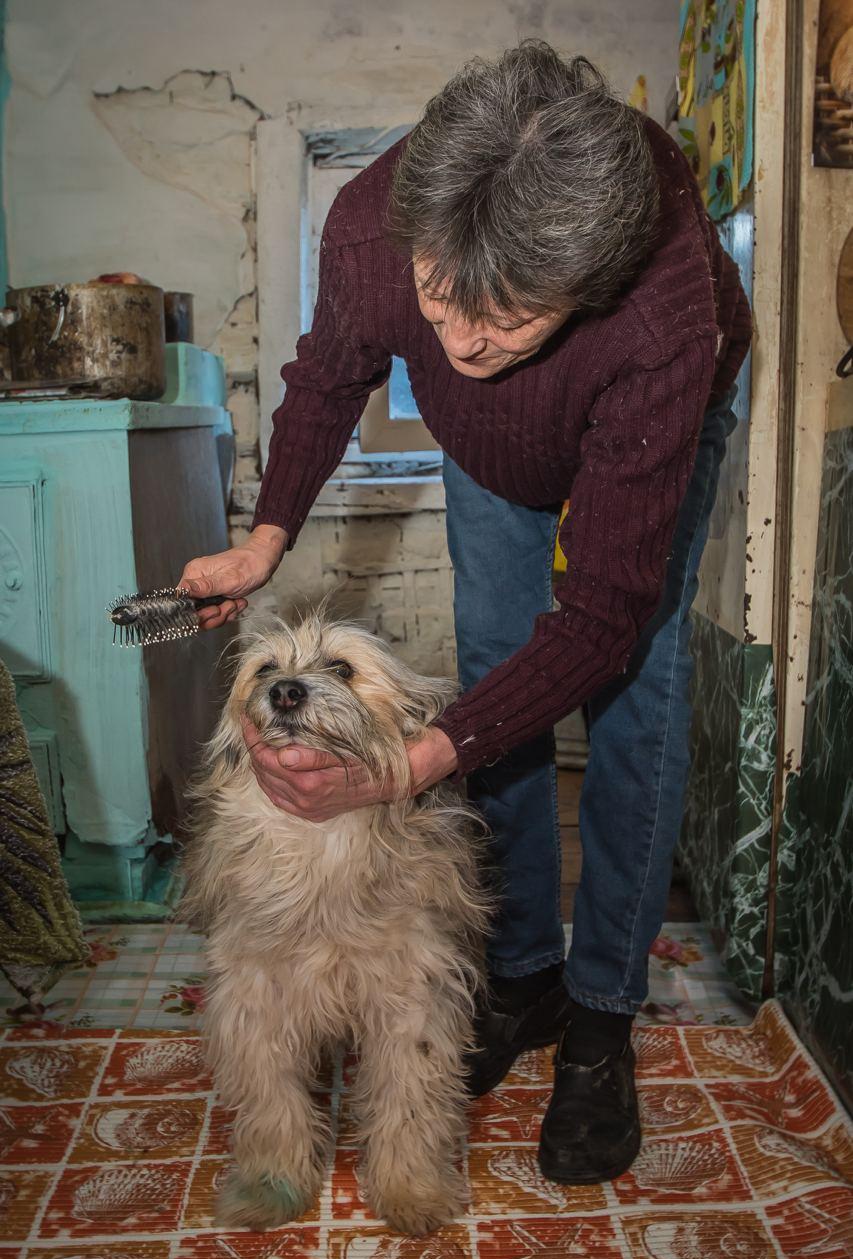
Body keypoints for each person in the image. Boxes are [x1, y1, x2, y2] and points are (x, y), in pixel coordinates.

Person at [179, 41, 751, 1185]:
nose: (463, 342)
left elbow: (597, 613)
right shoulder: (367, 229)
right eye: (442, 299)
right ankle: (524, 968)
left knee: (629, 686)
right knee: (497, 672)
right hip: (489, 451)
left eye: (508, 318)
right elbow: (331, 376)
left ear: (588, 283)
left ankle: (598, 1015)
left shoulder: (664, 311)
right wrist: (263, 534)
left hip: (635, 431)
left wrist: (406, 766)